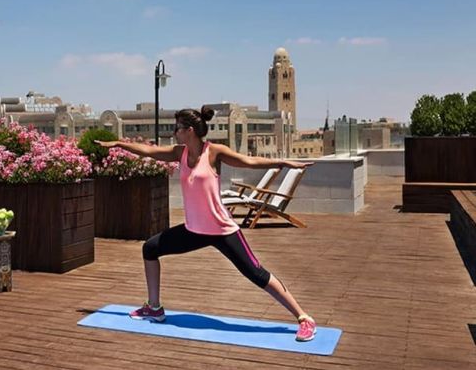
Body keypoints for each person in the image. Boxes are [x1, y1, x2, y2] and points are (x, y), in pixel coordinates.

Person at [95, 105, 317, 342]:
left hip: (222, 230)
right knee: (150, 248)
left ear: (189, 130)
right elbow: (149, 151)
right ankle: (154, 307)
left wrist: (283, 163)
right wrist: (119, 144)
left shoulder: (214, 152)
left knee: (256, 273)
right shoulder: (178, 152)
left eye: (177, 128)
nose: (174, 132)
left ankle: (304, 318)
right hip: (194, 230)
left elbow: (248, 161)